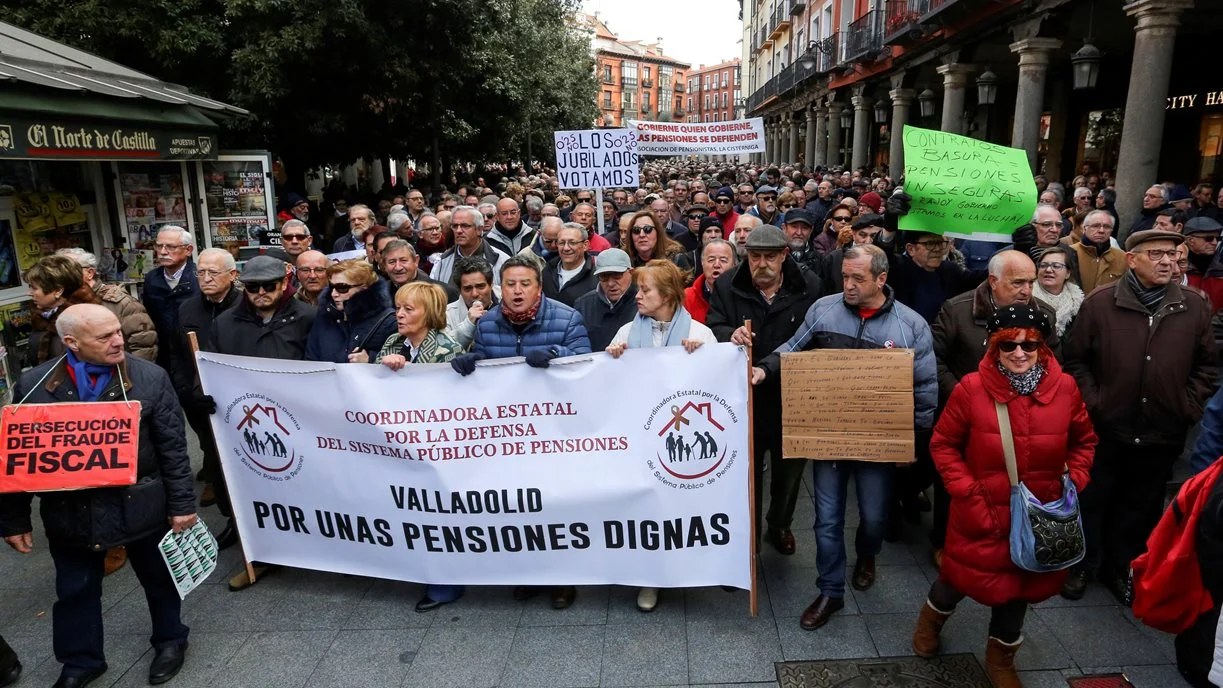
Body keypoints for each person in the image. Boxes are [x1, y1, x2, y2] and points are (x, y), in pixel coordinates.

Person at [0, 304, 196, 687]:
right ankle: (81, 662)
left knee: (159, 580)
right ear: (71, 342)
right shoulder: (34, 385)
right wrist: (14, 519)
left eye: (118, 332)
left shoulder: (149, 378)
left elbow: (174, 448)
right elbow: (18, 455)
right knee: (74, 590)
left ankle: (171, 640)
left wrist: (183, 506)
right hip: (72, 512)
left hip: (141, 507)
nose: (118, 341)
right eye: (104, 337)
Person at [751, 243, 936, 630]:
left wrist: (912, 442)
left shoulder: (911, 325)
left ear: (881, 279)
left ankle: (867, 553)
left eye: (858, 278)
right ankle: (830, 590)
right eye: (845, 277)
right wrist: (764, 370)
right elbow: (793, 349)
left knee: (872, 517)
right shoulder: (824, 310)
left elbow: (924, 389)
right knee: (826, 519)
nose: (848, 285)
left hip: (878, 442)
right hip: (828, 438)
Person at [913, 304, 1096, 686]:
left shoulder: (1064, 389)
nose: (1019, 352)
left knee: (1019, 592)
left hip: (1039, 517)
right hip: (981, 512)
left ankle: (1001, 659)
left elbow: (1084, 441)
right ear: (993, 347)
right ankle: (930, 622)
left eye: (1029, 345)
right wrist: (967, 491)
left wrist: (1074, 480)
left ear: (1042, 348)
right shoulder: (971, 389)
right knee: (957, 580)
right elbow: (944, 444)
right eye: (1008, 344)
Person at [1063, 229, 1219, 604]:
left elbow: (1207, 367)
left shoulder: (1194, 305)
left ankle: (1120, 567)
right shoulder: (1101, 303)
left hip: (1161, 431)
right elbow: (1076, 359)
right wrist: (1095, 402)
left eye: (1173, 254)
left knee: (1140, 504)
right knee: (1094, 496)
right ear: (1131, 259)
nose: (1167, 261)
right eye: (1157, 254)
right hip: (1107, 427)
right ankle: (1082, 565)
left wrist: (1187, 406)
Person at [450, 254, 591, 610]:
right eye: (510, 284)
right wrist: (470, 365)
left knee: (555, 507)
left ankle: (563, 580)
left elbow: (587, 366)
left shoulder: (566, 318)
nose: (516, 291)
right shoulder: (487, 324)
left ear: (538, 288)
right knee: (519, 505)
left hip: (556, 432)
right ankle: (529, 572)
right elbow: (486, 375)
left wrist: (557, 353)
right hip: (510, 434)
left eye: (524, 284)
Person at [606, 259, 718, 613]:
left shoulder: (699, 335)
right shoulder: (626, 333)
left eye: (645, 290)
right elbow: (605, 385)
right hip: (639, 438)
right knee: (646, 508)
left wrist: (703, 361)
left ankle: (685, 568)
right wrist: (612, 359)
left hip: (680, 441)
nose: (636, 295)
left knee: (680, 506)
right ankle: (649, 578)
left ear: (668, 295)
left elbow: (718, 389)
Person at [707, 226, 824, 557]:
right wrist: (728, 333)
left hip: (792, 394)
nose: (761, 264)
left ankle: (779, 523)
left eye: (770, 257)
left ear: (784, 255)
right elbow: (713, 324)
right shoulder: (729, 284)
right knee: (745, 471)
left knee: (789, 472)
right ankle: (748, 532)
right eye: (755, 256)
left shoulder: (809, 285)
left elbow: (815, 336)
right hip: (743, 397)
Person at [375, 281, 466, 612]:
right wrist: (379, 367)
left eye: (408, 309)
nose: (399, 314)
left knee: (438, 512)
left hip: (436, 448)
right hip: (399, 444)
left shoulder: (447, 349)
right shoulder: (391, 342)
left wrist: (409, 372)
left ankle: (447, 582)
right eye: (398, 308)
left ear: (429, 314)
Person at [173, 248, 242, 548]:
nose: (205, 278)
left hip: (239, 402)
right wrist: (186, 391)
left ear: (233, 275)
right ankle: (231, 518)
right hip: (201, 401)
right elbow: (177, 355)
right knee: (215, 462)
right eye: (200, 272)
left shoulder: (245, 307)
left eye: (213, 272)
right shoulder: (187, 309)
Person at [57, 248, 158, 362]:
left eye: (67, 269)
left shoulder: (119, 302)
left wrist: (129, 376)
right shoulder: (60, 302)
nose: (60, 275)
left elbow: (144, 346)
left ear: (89, 273)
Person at [306, 259, 396, 364]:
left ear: (364, 288)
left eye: (342, 288)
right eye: (331, 287)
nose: (334, 294)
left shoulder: (388, 321)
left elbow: (401, 363)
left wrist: (371, 360)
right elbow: (311, 359)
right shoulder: (325, 314)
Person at [25, 255, 103, 368]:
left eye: (34, 288)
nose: (28, 293)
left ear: (58, 291)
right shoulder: (43, 318)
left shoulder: (85, 321)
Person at [142, 226, 198, 372]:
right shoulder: (151, 279)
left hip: (193, 353)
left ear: (188, 250)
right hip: (163, 354)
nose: (163, 252)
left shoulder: (200, 278)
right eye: (159, 246)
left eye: (171, 247)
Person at [574, 249, 639, 351]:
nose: (610, 283)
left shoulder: (643, 303)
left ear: (631, 272)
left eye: (617, 275)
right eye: (604, 276)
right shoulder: (583, 305)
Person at [429, 206, 510, 286]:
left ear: (479, 229)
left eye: (465, 226)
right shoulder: (442, 262)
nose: (458, 231)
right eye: (455, 226)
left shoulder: (501, 261)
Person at [445, 258, 499, 350]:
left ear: (491, 285)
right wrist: (468, 324)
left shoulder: (507, 300)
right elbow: (444, 351)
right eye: (467, 289)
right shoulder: (447, 313)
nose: (475, 294)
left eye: (480, 286)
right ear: (460, 290)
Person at [380, 240, 459, 303]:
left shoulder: (445, 293)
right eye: (392, 262)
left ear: (416, 261)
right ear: (384, 265)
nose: (398, 267)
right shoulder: (379, 295)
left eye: (403, 261)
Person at [1069, 209, 1125, 294]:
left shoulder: (1122, 257)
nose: (1101, 230)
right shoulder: (1069, 252)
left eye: (1106, 226)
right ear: (1084, 228)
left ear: (1112, 230)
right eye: (1095, 226)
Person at [1033, 245, 1085, 337]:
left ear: (1068, 273)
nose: (1048, 270)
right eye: (1043, 265)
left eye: (1056, 266)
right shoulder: (1027, 298)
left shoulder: (1078, 304)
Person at [542, 223, 596, 307]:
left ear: (585, 245)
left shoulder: (596, 276)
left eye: (572, 243)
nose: (566, 248)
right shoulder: (546, 271)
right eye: (562, 243)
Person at [685, 239, 736, 323]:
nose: (716, 265)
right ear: (702, 263)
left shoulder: (742, 296)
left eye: (723, 260)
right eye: (711, 260)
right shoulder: (687, 298)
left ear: (734, 264)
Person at [623, 210, 693, 271]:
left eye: (648, 229)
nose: (641, 235)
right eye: (636, 230)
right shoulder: (624, 259)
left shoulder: (675, 258)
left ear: (658, 232)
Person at [1183, 216, 1223, 312]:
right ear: (1190, 241)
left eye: (1218, 238)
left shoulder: (1220, 268)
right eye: (1209, 238)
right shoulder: (1176, 268)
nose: (1214, 242)